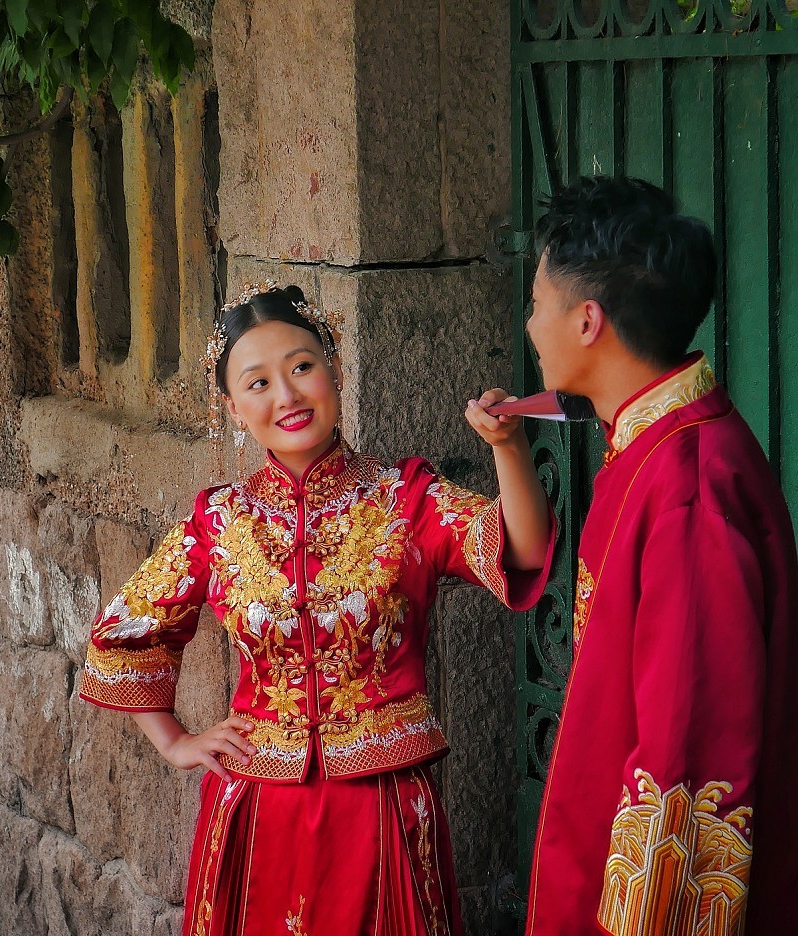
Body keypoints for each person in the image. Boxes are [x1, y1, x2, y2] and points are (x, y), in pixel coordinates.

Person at [79, 281, 554, 936]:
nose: (287, 396)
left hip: (381, 805)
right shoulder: (219, 521)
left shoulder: (406, 499)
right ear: (232, 407)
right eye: (259, 382)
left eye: (302, 367)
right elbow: (123, 633)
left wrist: (506, 446)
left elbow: (522, 549)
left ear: (335, 367)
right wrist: (176, 742)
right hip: (254, 809)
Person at [522, 177, 798, 935]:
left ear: (587, 321)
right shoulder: (658, 446)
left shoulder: (688, 486)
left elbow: (688, 757)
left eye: (538, 303)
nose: (530, 323)